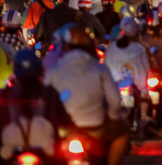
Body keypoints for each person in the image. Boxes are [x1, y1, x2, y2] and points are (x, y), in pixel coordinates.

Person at [44, 24, 130, 165]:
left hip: (63, 129)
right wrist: (113, 117)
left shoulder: (53, 70)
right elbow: (115, 101)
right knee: (123, 130)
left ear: (64, 46)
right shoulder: (99, 68)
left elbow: (46, 101)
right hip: (95, 126)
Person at [0, 49, 74, 161]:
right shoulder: (50, 93)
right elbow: (65, 119)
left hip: (10, 151)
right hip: (47, 151)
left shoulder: (5, 93)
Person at [105, 17, 152, 122]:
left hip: (115, 84)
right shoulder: (140, 48)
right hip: (136, 84)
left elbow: (106, 66)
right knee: (145, 92)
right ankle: (144, 116)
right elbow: (146, 69)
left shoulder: (112, 47)